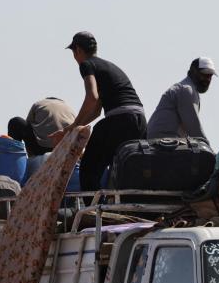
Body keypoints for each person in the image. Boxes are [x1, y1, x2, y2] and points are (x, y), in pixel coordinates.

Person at [50, 32, 147, 191]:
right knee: (125, 166)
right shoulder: (108, 66)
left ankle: (93, 211)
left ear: (78, 50)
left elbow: (92, 97)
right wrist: (70, 130)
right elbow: (95, 112)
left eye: (74, 53)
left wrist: (75, 125)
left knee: (89, 167)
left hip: (120, 119)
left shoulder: (87, 65)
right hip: (139, 120)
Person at [146, 57, 217, 141]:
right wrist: (210, 150)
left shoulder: (187, 88)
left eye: (210, 76)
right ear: (193, 71)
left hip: (163, 141)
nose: (207, 79)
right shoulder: (187, 90)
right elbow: (194, 129)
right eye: (204, 74)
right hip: (163, 143)